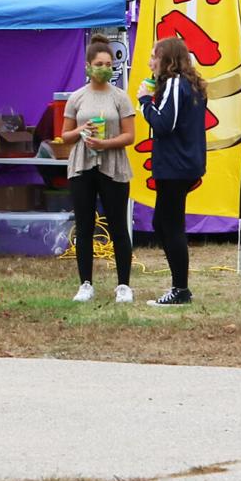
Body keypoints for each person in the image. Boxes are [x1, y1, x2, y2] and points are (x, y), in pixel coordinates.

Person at [58, 34, 137, 304]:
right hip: (82, 165)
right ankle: (85, 283)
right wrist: (82, 130)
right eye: (99, 63)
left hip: (113, 166)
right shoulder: (77, 98)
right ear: (88, 67)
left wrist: (106, 142)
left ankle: (124, 284)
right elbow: (64, 136)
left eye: (108, 63)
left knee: (118, 226)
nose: (105, 68)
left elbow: (130, 136)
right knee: (84, 225)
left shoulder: (120, 98)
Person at [137, 37, 208, 307]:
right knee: (162, 223)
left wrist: (145, 101)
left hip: (176, 165)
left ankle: (180, 289)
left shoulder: (176, 84)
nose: (150, 62)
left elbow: (164, 124)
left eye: (154, 56)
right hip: (180, 164)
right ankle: (179, 287)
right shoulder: (188, 85)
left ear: (167, 60)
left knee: (171, 225)